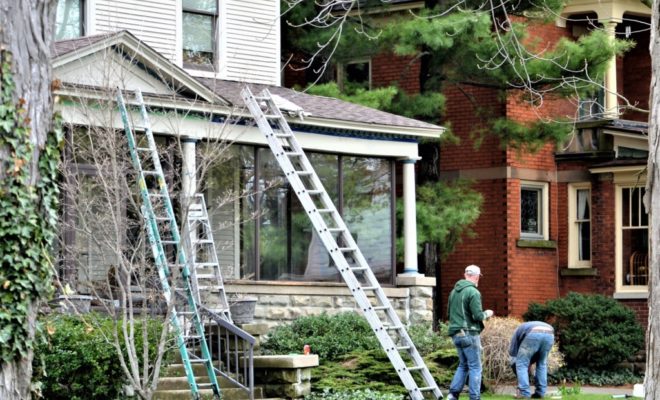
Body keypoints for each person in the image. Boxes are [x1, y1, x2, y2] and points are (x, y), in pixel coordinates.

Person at [446, 264, 494, 400]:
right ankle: (475, 397)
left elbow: (449, 313)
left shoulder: (453, 292)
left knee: (463, 365)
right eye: (479, 276)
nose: (479, 279)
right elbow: (477, 316)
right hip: (469, 333)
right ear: (476, 276)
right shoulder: (473, 292)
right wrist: (488, 313)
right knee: (475, 367)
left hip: (455, 333)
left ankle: (452, 395)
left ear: (465, 274)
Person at [509, 321, 555, 399]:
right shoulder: (523, 328)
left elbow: (513, 354)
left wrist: (516, 367)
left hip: (533, 332)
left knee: (521, 364)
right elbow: (533, 355)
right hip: (550, 332)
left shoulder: (516, 333)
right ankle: (540, 393)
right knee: (542, 364)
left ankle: (524, 393)